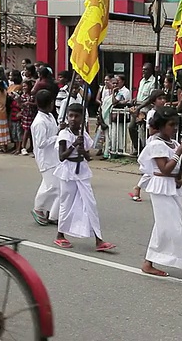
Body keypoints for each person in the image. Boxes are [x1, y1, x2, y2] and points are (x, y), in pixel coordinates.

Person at [137, 106, 182, 286]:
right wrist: (178, 153)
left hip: (173, 188)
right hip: (161, 188)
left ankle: (148, 262)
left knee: (163, 226)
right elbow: (164, 168)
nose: (174, 128)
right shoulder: (156, 144)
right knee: (175, 228)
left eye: (176, 124)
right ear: (161, 125)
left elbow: (177, 170)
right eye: (170, 124)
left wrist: (180, 177)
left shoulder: (174, 143)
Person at [53, 103, 116, 251]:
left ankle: (99, 240)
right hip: (68, 172)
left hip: (82, 171)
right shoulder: (64, 134)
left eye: (76, 116)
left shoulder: (83, 135)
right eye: (70, 116)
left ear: (82, 118)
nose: (73, 119)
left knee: (90, 203)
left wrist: (83, 151)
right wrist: (74, 145)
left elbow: (88, 157)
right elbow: (62, 157)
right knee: (66, 204)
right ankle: (60, 235)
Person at [129, 90, 168, 202]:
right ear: (154, 101)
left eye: (164, 98)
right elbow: (151, 131)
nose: (163, 101)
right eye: (160, 99)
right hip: (154, 142)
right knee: (152, 169)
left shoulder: (164, 112)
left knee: (157, 168)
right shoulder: (152, 113)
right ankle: (138, 188)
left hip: (163, 142)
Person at [30, 90, 61, 226]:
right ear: (51, 103)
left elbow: (54, 132)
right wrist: (57, 137)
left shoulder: (49, 117)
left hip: (54, 157)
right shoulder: (39, 122)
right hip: (46, 159)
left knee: (54, 185)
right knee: (53, 187)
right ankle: (39, 208)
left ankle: (53, 214)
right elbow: (41, 143)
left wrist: (60, 128)